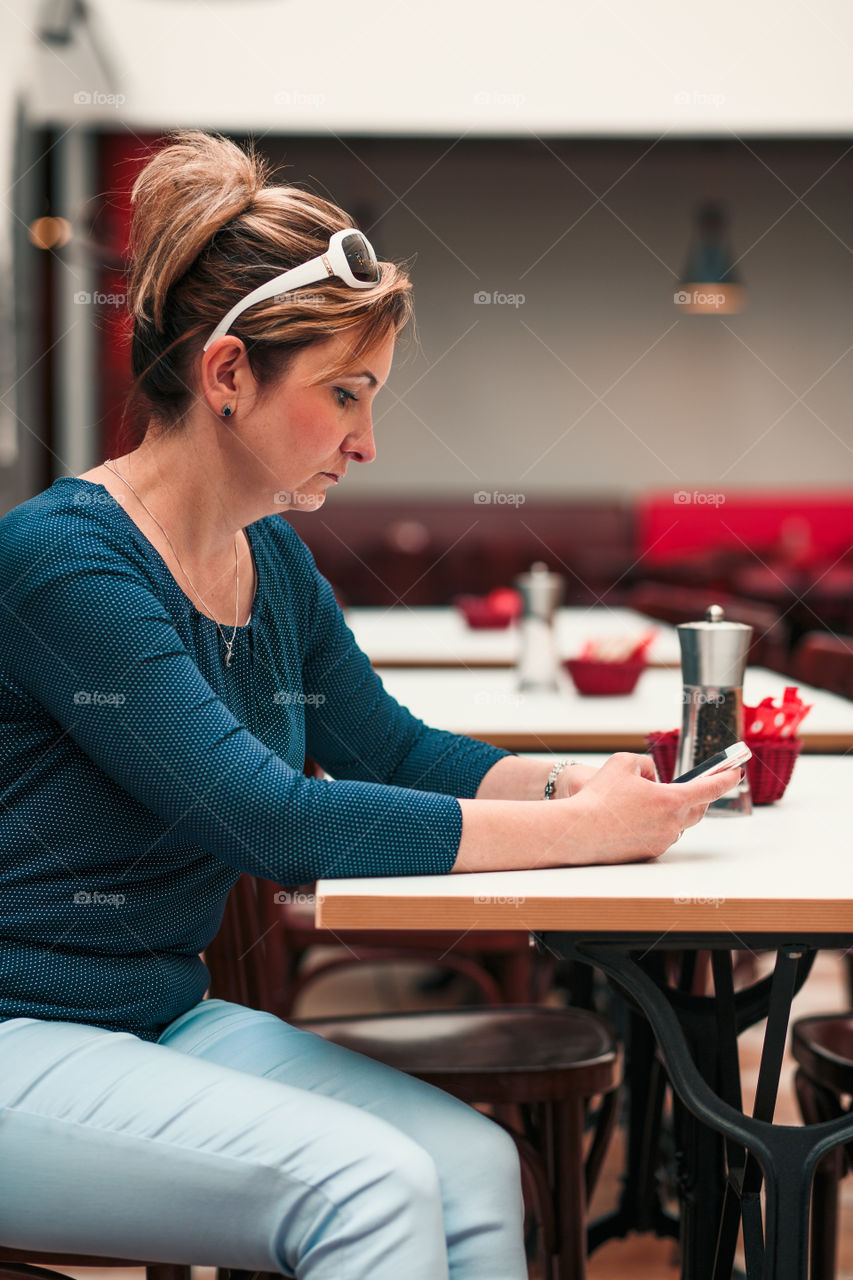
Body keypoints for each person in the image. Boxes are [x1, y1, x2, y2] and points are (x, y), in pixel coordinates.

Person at [0, 131, 739, 1280]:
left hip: (159, 1018)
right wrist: (582, 832)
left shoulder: (273, 568)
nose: (367, 439)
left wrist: (582, 783)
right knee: (370, 1186)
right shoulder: (62, 561)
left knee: (474, 1165)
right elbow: (274, 820)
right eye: (345, 393)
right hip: (18, 1039)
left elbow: (393, 747)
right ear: (230, 374)